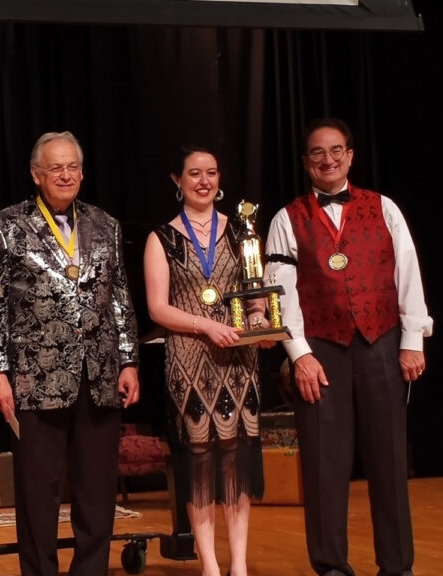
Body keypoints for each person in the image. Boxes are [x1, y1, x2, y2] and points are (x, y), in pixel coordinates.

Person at [264, 117, 433, 576]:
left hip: (382, 345)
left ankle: (397, 566)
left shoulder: (384, 208)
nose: (328, 159)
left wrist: (412, 339)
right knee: (324, 466)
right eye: (317, 153)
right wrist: (299, 355)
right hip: (320, 351)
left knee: (390, 463)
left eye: (336, 150)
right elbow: (280, 293)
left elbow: (408, 274)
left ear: (350, 155)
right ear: (306, 162)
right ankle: (331, 566)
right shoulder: (287, 218)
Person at [0, 131, 141, 576]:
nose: (66, 174)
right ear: (37, 175)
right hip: (35, 380)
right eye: (56, 168)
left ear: (83, 171)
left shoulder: (105, 224)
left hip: (101, 375)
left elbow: (121, 298)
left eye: (73, 166)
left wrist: (129, 360)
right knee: (37, 496)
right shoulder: (4, 226)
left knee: (97, 493)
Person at [144, 145, 270, 576]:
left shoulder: (242, 231)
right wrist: (206, 325)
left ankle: (239, 566)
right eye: (194, 173)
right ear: (176, 180)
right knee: (200, 463)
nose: (204, 181)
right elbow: (158, 309)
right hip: (188, 357)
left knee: (237, 461)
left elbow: (255, 292)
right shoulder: (161, 238)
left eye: (211, 173)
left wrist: (260, 319)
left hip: (238, 359)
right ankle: (211, 567)